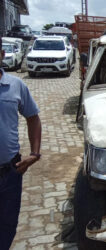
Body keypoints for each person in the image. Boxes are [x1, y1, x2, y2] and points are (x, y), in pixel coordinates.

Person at [0, 36, 42, 249]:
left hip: (9, 172)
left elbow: (33, 117)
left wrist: (34, 154)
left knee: (7, 225)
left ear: (2, 55)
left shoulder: (15, 85)